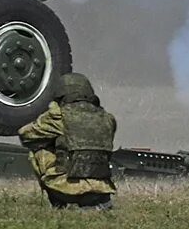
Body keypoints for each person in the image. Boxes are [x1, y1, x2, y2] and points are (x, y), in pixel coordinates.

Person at [17, 72, 117, 210]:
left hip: (68, 189)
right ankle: (99, 203)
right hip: (102, 188)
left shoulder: (59, 115)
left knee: (38, 151)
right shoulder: (107, 118)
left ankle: (58, 203)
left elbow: (26, 135)